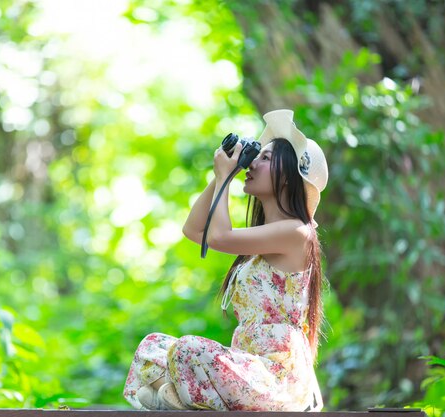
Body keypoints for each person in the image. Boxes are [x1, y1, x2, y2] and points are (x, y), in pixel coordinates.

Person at [122, 109, 328, 411]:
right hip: (243, 367)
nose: (253, 163)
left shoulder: (299, 233)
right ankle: (177, 398)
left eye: (266, 158)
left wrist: (224, 178)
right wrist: (221, 177)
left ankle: (174, 398)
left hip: (274, 378)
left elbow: (217, 237)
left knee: (188, 350)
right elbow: (194, 230)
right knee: (152, 346)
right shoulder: (266, 235)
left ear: (289, 177)